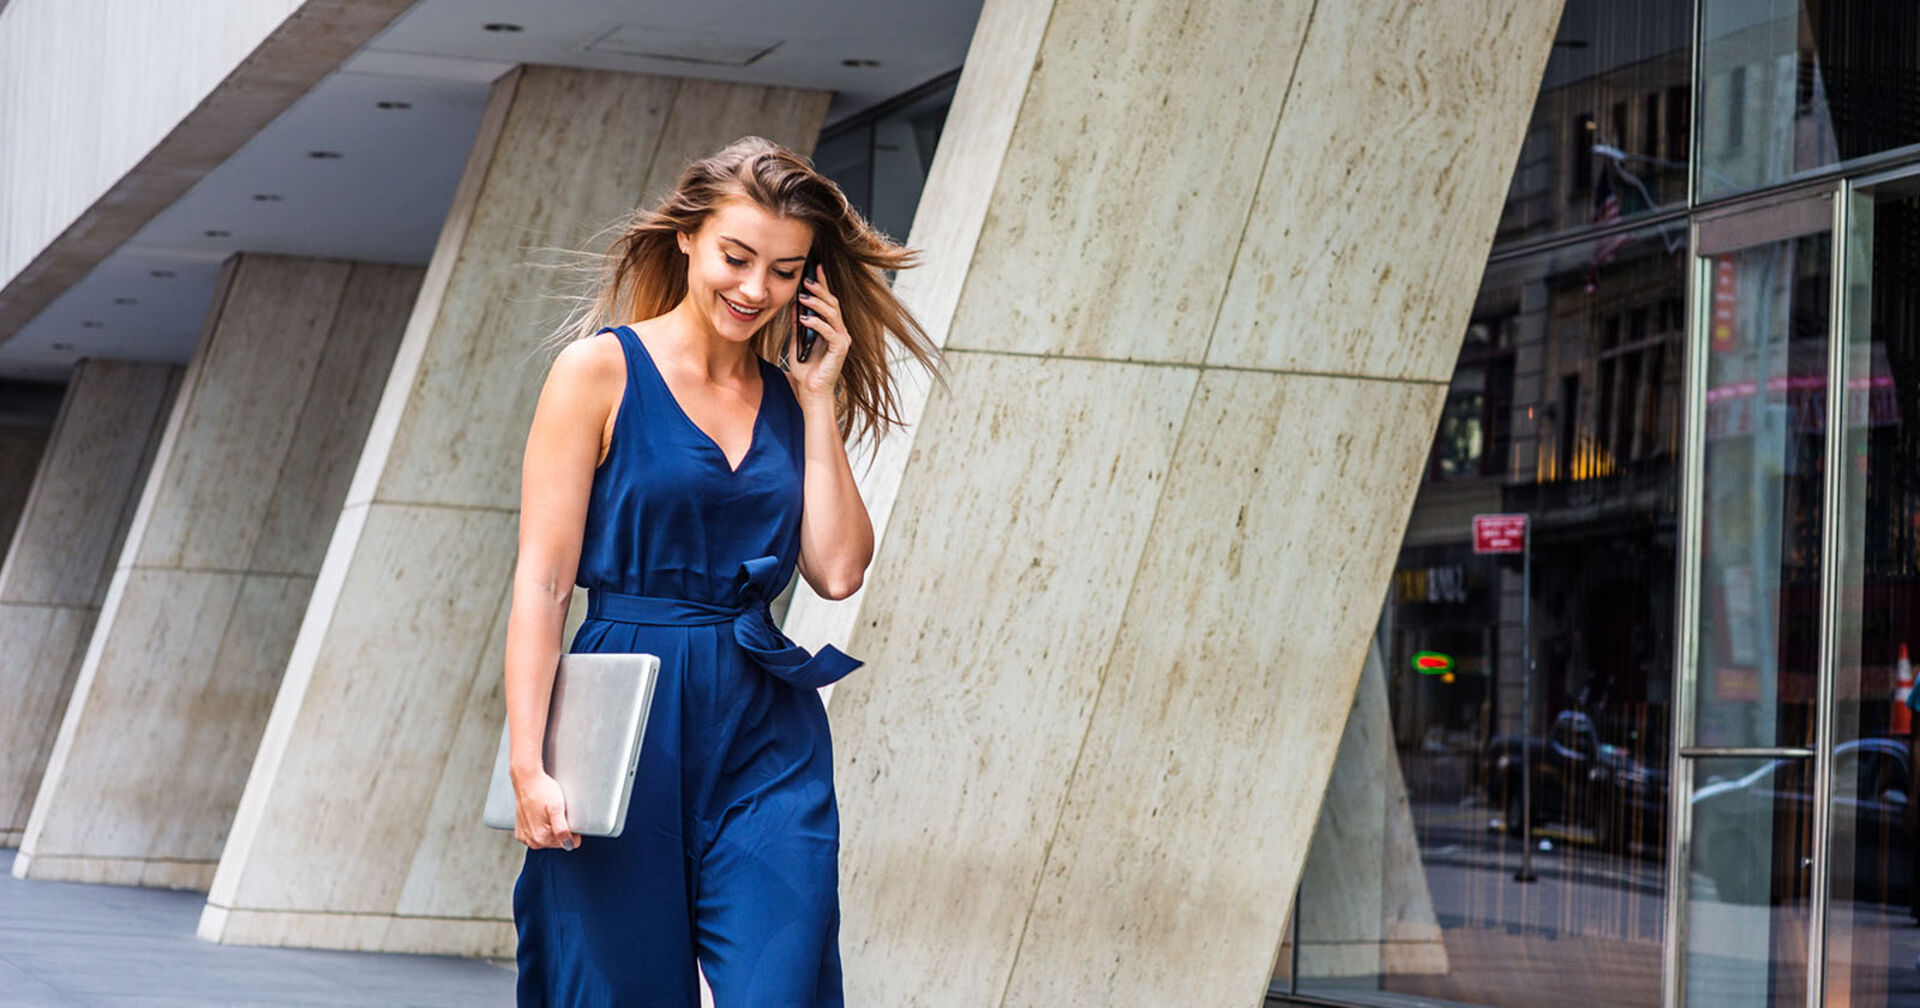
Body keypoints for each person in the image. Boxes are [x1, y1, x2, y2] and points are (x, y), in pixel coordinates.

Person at [504, 136, 938, 1007]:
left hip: (763, 721)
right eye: (737, 258)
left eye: (784, 271)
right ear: (688, 240)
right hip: (624, 709)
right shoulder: (597, 371)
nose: (754, 290)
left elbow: (840, 571)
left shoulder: (791, 396)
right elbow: (544, 584)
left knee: (780, 981)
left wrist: (819, 402)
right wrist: (528, 760)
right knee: (619, 987)